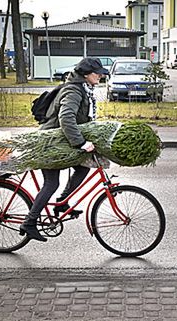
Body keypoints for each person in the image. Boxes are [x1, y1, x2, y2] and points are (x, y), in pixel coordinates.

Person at [20, 57, 109, 242]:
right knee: (51, 183)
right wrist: (80, 143)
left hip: (61, 141)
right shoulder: (74, 91)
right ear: (85, 74)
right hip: (51, 143)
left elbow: (82, 119)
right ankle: (29, 222)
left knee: (84, 166)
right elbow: (67, 118)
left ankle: (62, 202)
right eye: (97, 73)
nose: (100, 76)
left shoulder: (83, 89)